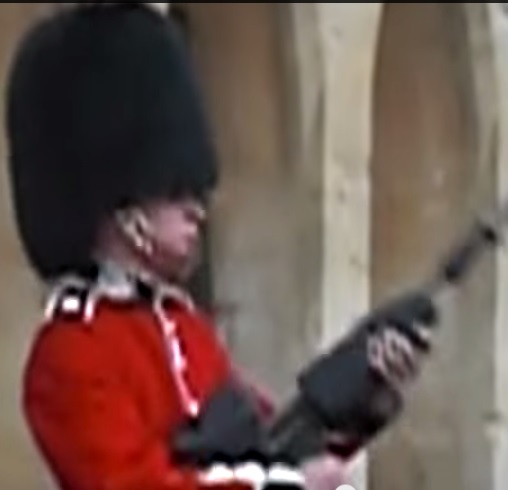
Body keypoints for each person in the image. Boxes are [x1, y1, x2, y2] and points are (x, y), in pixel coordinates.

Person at [5, 4, 428, 490]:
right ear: (123, 202)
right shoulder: (73, 354)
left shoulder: (186, 330)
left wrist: (366, 392)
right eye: (176, 189)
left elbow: (275, 442)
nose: (198, 208)